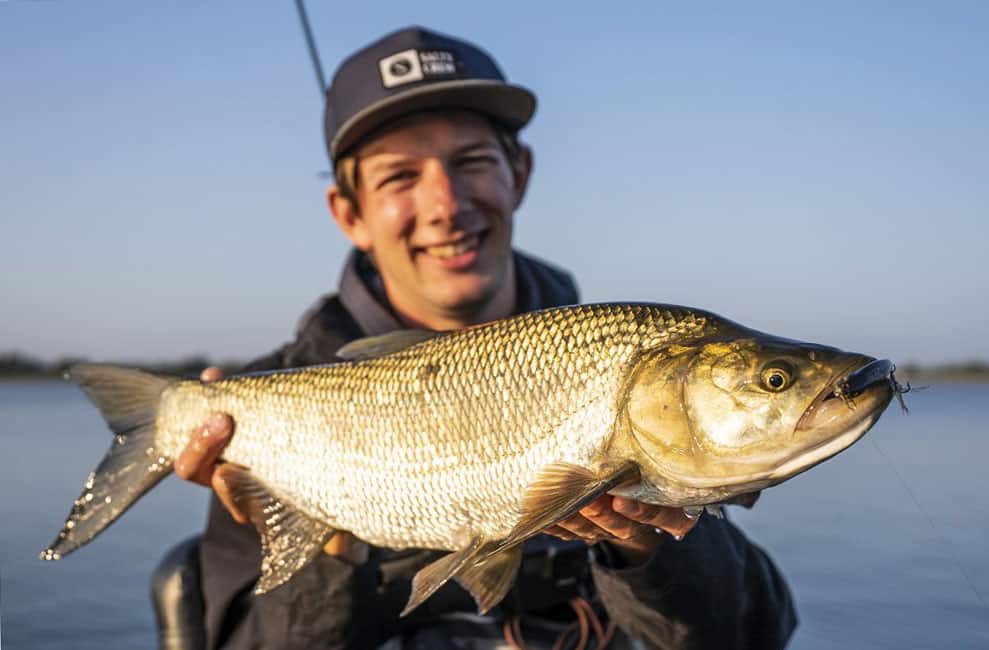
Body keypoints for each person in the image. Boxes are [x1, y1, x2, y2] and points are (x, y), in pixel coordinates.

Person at [173, 26, 797, 649]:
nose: (445, 203)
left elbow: (759, 634)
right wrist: (320, 535)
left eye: (470, 161)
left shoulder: (619, 366)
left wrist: (650, 546)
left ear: (518, 175)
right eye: (398, 177)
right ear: (349, 213)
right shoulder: (259, 409)